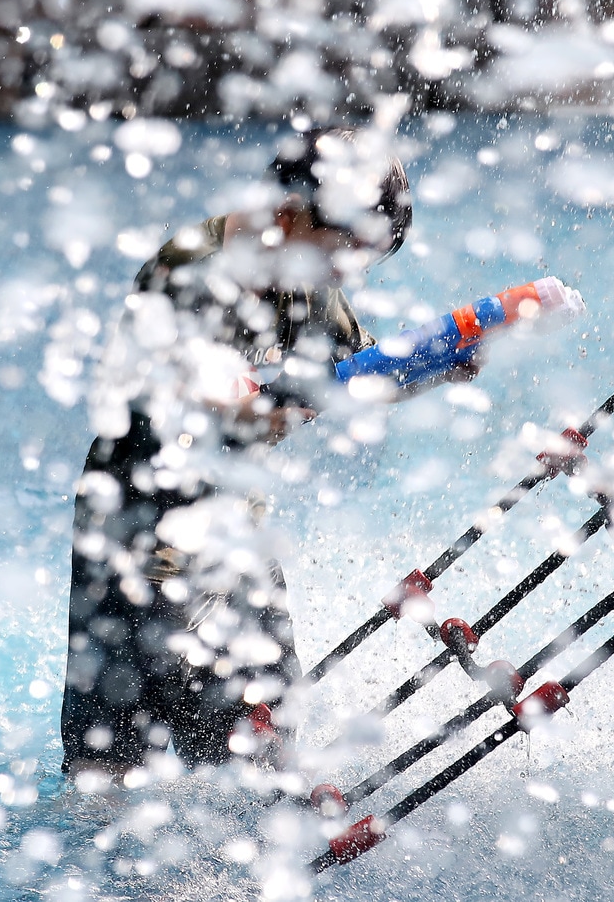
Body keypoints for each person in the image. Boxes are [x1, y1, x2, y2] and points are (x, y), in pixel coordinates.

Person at [62, 126, 418, 780]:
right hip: (138, 523)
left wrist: (437, 365)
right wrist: (263, 406)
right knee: (111, 748)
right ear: (286, 216)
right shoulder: (189, 269)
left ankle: (262, 827)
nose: (347, 274)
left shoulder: (304, 276)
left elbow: (358, 370)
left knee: (269, 706)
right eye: (343, 254)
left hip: (233, 523)